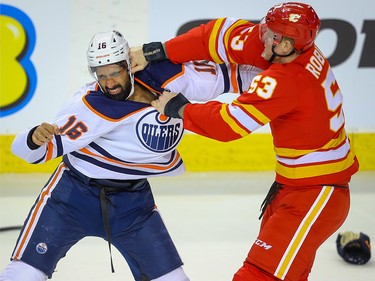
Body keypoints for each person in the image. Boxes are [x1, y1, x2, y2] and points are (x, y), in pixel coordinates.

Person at [0, 30, 260, 281]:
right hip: (71, 198)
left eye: (115, 72)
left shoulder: (169, 78)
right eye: (101, 76)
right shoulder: (89, 106)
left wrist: (288, 73)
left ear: (129, 65)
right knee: (23, 273)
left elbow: (237, 75)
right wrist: (33, 136)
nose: (109, 83)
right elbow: (29, 152)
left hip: (134, 205)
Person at [130, 2, 360, 281]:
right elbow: (216, 35)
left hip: (316, 195)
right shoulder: (288, 49)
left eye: (269, 33)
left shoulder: (287, 79)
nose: (260, 33)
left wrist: (179, 109)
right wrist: (156, 50)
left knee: (257, 275)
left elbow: (228, 124)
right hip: (297, 188)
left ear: (285, 45)